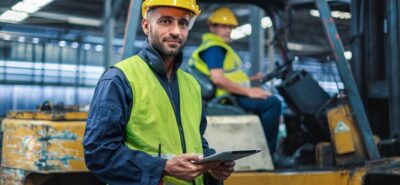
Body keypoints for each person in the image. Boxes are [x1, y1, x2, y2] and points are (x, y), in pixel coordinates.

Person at [83, 1, 235, 184]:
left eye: (183, 23)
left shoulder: (192, 85)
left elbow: (197, 141)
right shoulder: (119, 79)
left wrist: (212, 168)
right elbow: (99, 153)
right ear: (146, 26)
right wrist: (163, 167)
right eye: (165, 21)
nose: (176, 31)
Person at [189, 7, 281, 154]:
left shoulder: (216, 47)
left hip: (230, 93)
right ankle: (269, 154)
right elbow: (218, 79)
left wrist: (250, 80)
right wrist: (249, 91)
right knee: (272, 103)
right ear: (213, 27)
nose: (228, 30)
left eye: (230, 27)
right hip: (226, 97)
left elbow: (226, 74)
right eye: (224, 26)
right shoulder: (214, 48)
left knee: (268, 100)